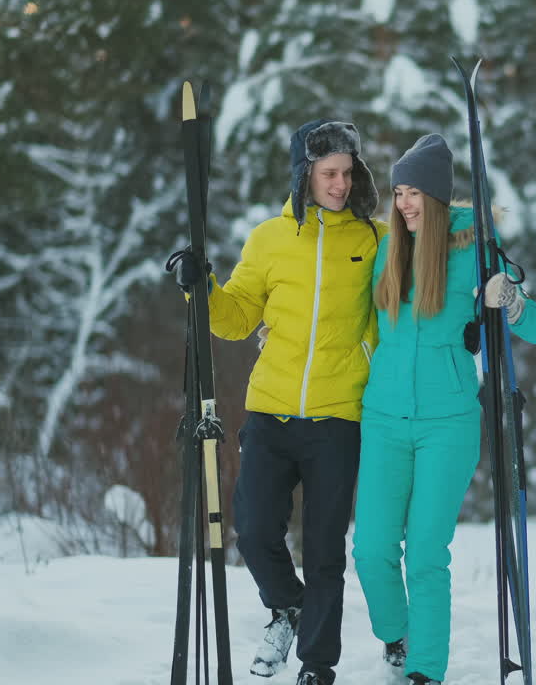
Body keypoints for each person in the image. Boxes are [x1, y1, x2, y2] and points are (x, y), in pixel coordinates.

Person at [172, 119, 387, 685]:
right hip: (270, 409)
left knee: (324, 552)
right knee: (254, 529)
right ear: (304, 175)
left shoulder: (375, 240)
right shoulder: (269, 238)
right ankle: (286, 606)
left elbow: (407, 301)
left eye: (348, 173)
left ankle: (318, 664)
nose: (340, 185)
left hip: (339, 415)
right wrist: (204, 285)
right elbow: (237, 317)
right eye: (328, 173)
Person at [351, 134, 536, 685]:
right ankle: (397, 637)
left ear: (437, 198)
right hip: (384, 418)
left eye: (414, 192)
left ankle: (424, 671)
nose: (405, 203)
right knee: (370, 550)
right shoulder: (388, 248)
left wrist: (509, 301)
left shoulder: (477, 250)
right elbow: (357, 319)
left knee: (427, 555)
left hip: (448, 423)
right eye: (398, 192)